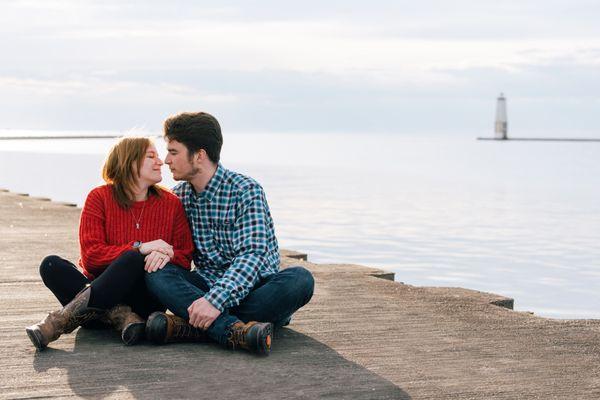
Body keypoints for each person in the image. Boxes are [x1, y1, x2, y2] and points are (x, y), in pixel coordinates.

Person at [144, 112, 315, 356]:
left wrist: (214, 302)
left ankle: (189, 326)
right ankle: (237, 330)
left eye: (173, 152)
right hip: (204, 285)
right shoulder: (178, 196)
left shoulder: (246, 190)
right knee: (156, 273)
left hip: (254, 286)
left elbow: (252, 256)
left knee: (300, 280)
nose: (166, 160)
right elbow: (167, 248)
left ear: (199, 155)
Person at [26, 137, 194, 350]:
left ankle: (58, 322)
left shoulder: (171, 204)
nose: (160, 162)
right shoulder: (99, 197)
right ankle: (121, 317)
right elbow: (91, 257)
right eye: (151, 156)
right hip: (101, 289)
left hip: (144, 299)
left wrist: (165, 255)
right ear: (129, 162)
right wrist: (141, 247)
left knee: (133, 258)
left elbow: (184, 257)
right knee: (51, 265)